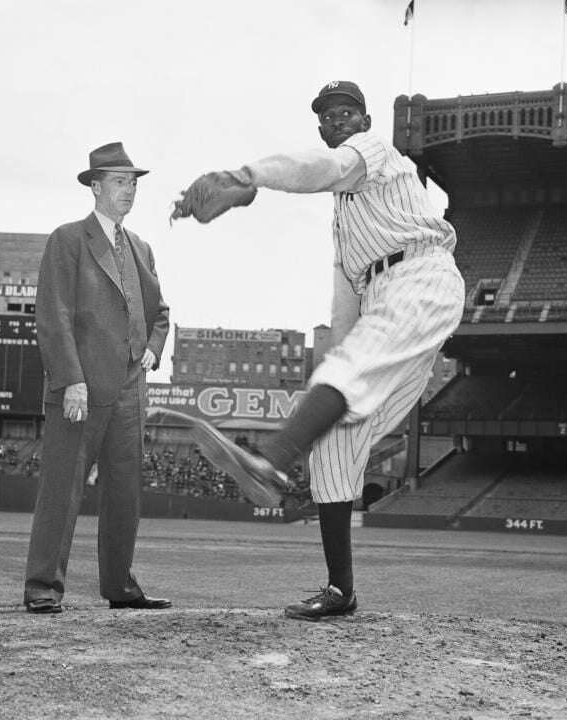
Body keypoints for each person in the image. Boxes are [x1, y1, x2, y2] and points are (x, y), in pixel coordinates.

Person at [176, 81, 465, 620]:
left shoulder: (376, 153)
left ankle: (270, 461)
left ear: (364, 119)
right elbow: (345, 301)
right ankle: (341, 591)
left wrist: (249, 177)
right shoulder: (343, 218)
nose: (338, 121)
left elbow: (325, 169)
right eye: (328, 116)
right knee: (334, 445)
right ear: (320, 126)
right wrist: (332, 364)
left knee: (349, 371)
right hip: (384, 299)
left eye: (347, 112)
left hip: (422, 277)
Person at [23, 142, 171, 614]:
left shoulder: (141, 247)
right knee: (62, 492)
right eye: (120, 182)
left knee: (125, 493)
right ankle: (43, 587)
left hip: (130, 388)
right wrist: (71, 379)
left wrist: (151, 349)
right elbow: (53, 315)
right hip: (80, 389)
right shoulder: (67, 239)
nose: (129, 191)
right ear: (95, 186)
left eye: (133, 183)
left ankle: (120, 587)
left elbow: (160, 313)